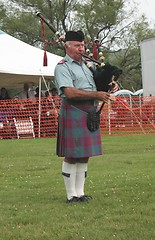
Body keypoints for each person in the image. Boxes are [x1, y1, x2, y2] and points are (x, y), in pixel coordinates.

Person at [54, 30, 115, 203]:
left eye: (82, 45)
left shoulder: (88, 65)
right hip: (73, 111)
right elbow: (70, 92)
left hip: (90, 112)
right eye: (77, 45)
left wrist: (110, 84)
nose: (81, 49)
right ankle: (70, 194)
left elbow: (99, 83)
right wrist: (96, 95)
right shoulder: (62, 66)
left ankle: (80, 193)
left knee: (84, 154)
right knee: (72, 154)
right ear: (67, 47)